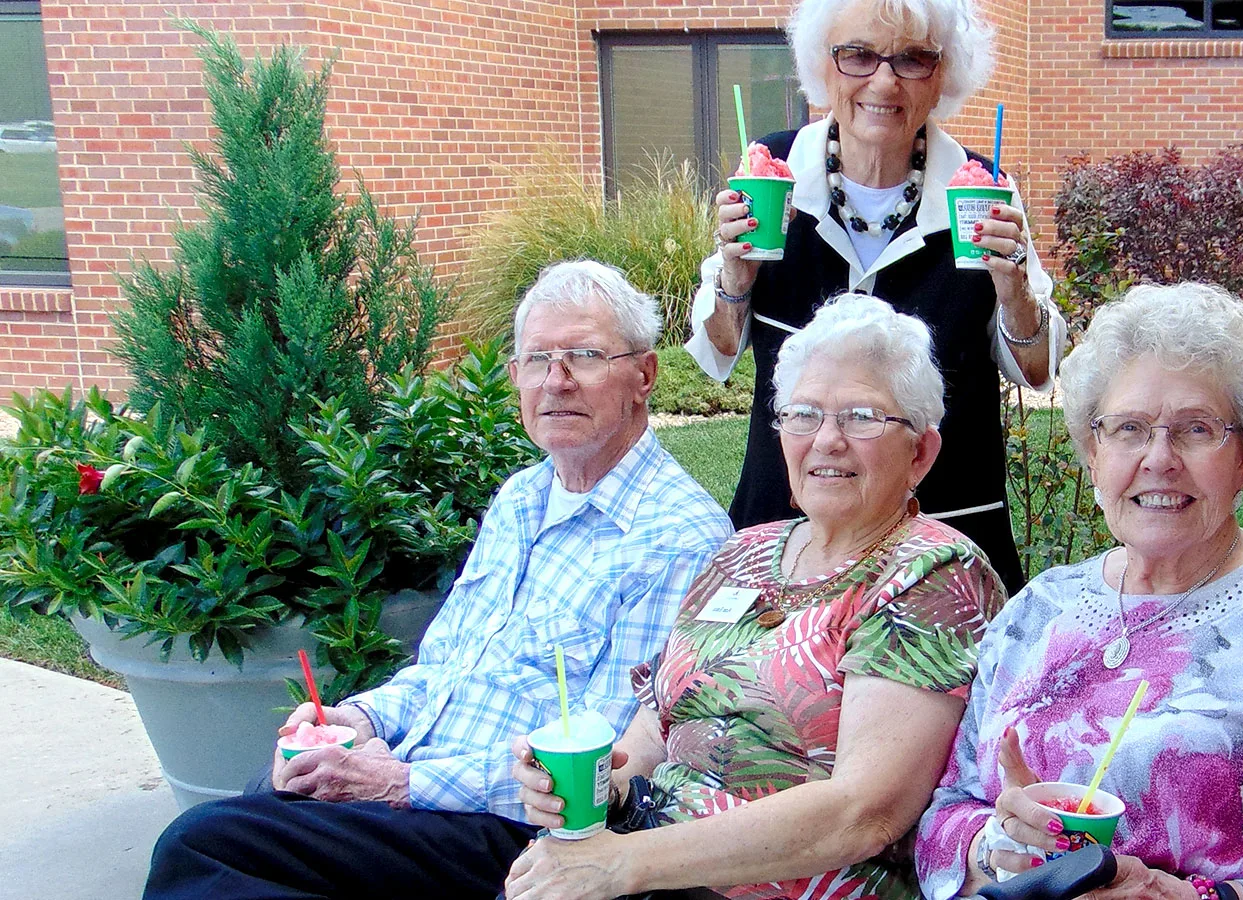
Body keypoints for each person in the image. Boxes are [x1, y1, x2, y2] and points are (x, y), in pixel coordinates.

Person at [143, 260, 734, 900]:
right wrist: (360, 720)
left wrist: (398, 783)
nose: (555, 380)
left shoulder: (677, 536)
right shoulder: (522, 498)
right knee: (247, 823)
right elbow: (444, 670)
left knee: (205, 846)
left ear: (643, 375)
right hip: (421, 785)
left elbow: (601, 761)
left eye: (584, 356)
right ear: (514, 379)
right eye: (536, 360)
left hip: (514, 831)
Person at [916, 283, 1243, 900]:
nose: (1158, 458)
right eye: (1128, 428)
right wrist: (1001, 847)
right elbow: (946, 815)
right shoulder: (1040, 609)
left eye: (1197, 429)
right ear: (1093, 453)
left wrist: (1189, 897)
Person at [505, 293, 1007, 900]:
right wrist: (596, 787)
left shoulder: (933, 574)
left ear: (921, 453)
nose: (827, 440)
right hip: (652, 861)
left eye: (861, 418)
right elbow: (662, 721)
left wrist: (626, 863)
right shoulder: (742, 552)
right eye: (803, 415)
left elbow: (863, 813)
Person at [688, 0, 1064, 594]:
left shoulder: (981, 188)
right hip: (788, 526)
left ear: (942, 76)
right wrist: (735, 276)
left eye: (913, 59)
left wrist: (1013, 286)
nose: (883, 80)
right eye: (858, 55)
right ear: (823, 66)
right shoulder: (773, 173)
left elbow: (1037, 368)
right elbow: (718, 354)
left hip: (945, 533)